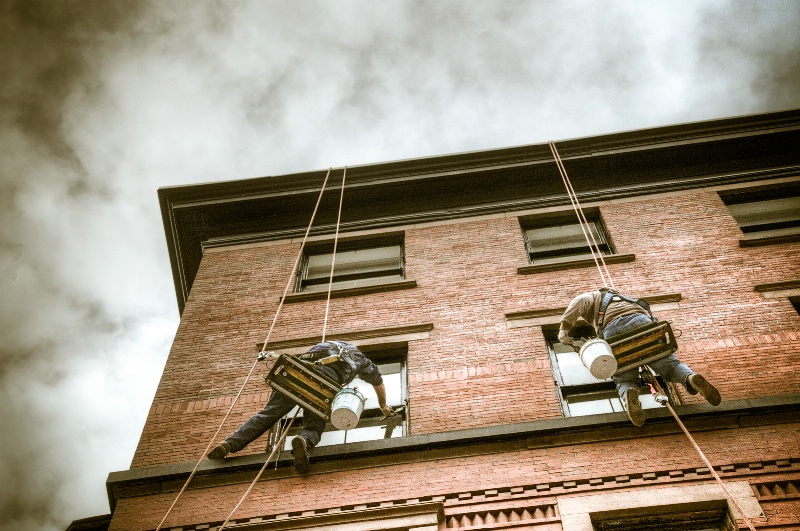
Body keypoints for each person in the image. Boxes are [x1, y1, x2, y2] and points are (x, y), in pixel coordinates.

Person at [208, 340, 394, 472]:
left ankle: (228, 444)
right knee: (315, 425)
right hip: (323, 386)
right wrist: (383, 405)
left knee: (267, 415)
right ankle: (304, 441)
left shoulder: (324, 345)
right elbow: (377, 380)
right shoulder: (360, 358)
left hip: (296, 373)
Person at [558, 287, 721, 426]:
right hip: (643, 324)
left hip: (614, 329)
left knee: (623, 377)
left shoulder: (594, 296)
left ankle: (630, 392)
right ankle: (690, 378)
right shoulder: (629, 301)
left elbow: (579, 302)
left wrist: (564, 328)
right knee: (670, 365)